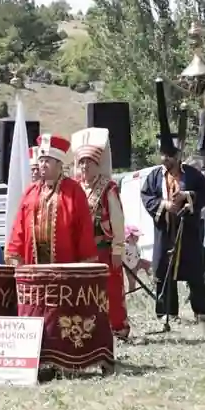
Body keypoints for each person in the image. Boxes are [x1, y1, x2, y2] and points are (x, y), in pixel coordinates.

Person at [141, 137, 205, 329]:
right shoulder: (155, 176)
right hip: (165, 230)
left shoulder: (192, 174)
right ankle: (167, 311)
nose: (165, 158)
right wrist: (165, 205)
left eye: (169, 155)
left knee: (194, 270)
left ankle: (202, 312)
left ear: (178, 156)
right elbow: (147, 195)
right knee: (164, 270)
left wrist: (187, 196)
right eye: (163, 154)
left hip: (188, 229)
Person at [5, 135, 98, 264]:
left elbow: (84, 229)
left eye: (47, 161)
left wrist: (85, 262)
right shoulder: (30, 192)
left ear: (59, 164)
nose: (42, 165)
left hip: (65, 269)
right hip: (34, 268)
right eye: (41, 160)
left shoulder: (74, 191)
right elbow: (19, 227)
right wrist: (15, 255)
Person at [73, 128, 130, 342]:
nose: (85, 166)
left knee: (112, 290)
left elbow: (117, 220)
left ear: (98, 165)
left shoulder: (108, 188)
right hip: (82, 251)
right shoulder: (76, 188)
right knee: (86, 292)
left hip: (104, 249)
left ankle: (119, 328)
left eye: (89, 162)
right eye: (82, 162)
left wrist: (118, 249)